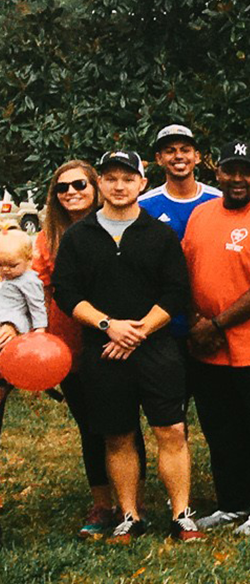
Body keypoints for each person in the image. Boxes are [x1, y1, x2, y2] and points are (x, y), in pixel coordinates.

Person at [52, 149, 198, 542]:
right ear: (100, 183)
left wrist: (137, 332)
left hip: (156, 348)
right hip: (103, 349)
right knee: (117, 436)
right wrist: (109, 325)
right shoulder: (79, 238)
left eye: (127, 178)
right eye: (111, 178)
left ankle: (182, 515)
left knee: (171, 430)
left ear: (142, 183)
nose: (119, 186)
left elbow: (176, 292)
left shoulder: (160, 234)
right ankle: (130, 515)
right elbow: (66, 293)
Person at [182, 141, 250, 535]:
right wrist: (196, 321)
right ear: (218, 173)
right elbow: (187, 272)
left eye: (246, 172)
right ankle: (231, 502)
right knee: (220, 426)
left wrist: (216, 325)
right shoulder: (201, 215)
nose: (238, 179)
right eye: (230, 170)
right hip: (208, 348)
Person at [33, 158, 121, 534]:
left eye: (79, 185)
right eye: (62, 188)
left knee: (120, 424)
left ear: (95, 186)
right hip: (67, 344)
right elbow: (36, 293)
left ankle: (132, 502)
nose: (71, 192)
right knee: (89, 426)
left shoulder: (117, 227)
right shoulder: (46, 239)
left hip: (112, 337)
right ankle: (102, 504)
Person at [0, 227, 48, 442]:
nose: (6, 270)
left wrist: (37, 331)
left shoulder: (27, 280)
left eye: (11, 265)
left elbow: (36, 307)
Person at [139, 123, 222, 237]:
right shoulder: (143, 205)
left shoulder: (218, 200)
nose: (178, 156)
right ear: (159, 159)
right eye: (170, 151)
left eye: (185, 150)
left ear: (197, 157)